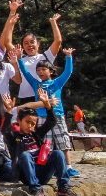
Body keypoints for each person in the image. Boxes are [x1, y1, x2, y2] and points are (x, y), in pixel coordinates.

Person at [5, 89, 82, 196]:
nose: (30, 126)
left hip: (42, 172)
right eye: (27, 122)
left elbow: (51, 121)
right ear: (19, 121)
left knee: (58, 153)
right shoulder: (14, 137)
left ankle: (63, 188)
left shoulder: (37, 135)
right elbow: (5, 129)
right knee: (26, 155)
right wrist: (9, 111)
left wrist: (47, 106)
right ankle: (36, 190)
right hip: (26, 174)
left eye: (33, 123)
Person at [18, 48, 78, 178]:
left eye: (43, 69)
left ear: (50, 71)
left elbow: (68, 72)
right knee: (45, 143)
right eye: (38, 70)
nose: (40, 72)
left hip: (57, 116)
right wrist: (19, 58)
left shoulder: (57, 83)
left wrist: (68, 57)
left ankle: (68, 167)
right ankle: (48, 167)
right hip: (40, 117)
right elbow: (26, 73)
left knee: (63, 141)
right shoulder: (36, 84)